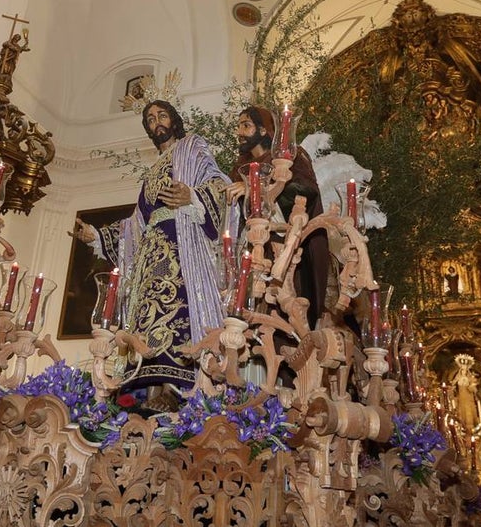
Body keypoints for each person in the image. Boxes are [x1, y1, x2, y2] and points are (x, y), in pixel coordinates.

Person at [72, 101, 228, 410]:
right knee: (146, 317)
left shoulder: (192, 147)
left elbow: (218, 184)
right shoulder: (153, 171)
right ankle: (146, 393)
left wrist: (192, 197)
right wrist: (96, 236)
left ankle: (178, 389)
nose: (157, 122)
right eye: (150, 119)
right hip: (150, 254)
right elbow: (136, 223)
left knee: (177, 311)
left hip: (183, 246)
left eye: (162, 115)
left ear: (174, 119)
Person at [225, 105, 330, 330]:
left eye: (246, 125)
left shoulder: (290, 157)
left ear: (263, 130)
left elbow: (306, 191)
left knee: (281, 312)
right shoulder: (237, 169)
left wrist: (255, 188)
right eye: (238, 126)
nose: (239, 132)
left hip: (282, 247)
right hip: (249, 249)